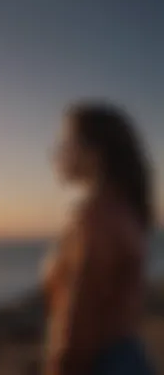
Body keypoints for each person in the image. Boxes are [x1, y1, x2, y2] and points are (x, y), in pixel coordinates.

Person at [42, 101, 156, 375]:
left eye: (65, 143)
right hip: (126, 357)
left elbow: (78, 318)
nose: (56, 154)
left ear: (95, 153)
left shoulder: (97, 216)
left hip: (102, 363)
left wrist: (60, 367)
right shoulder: (123, 208)